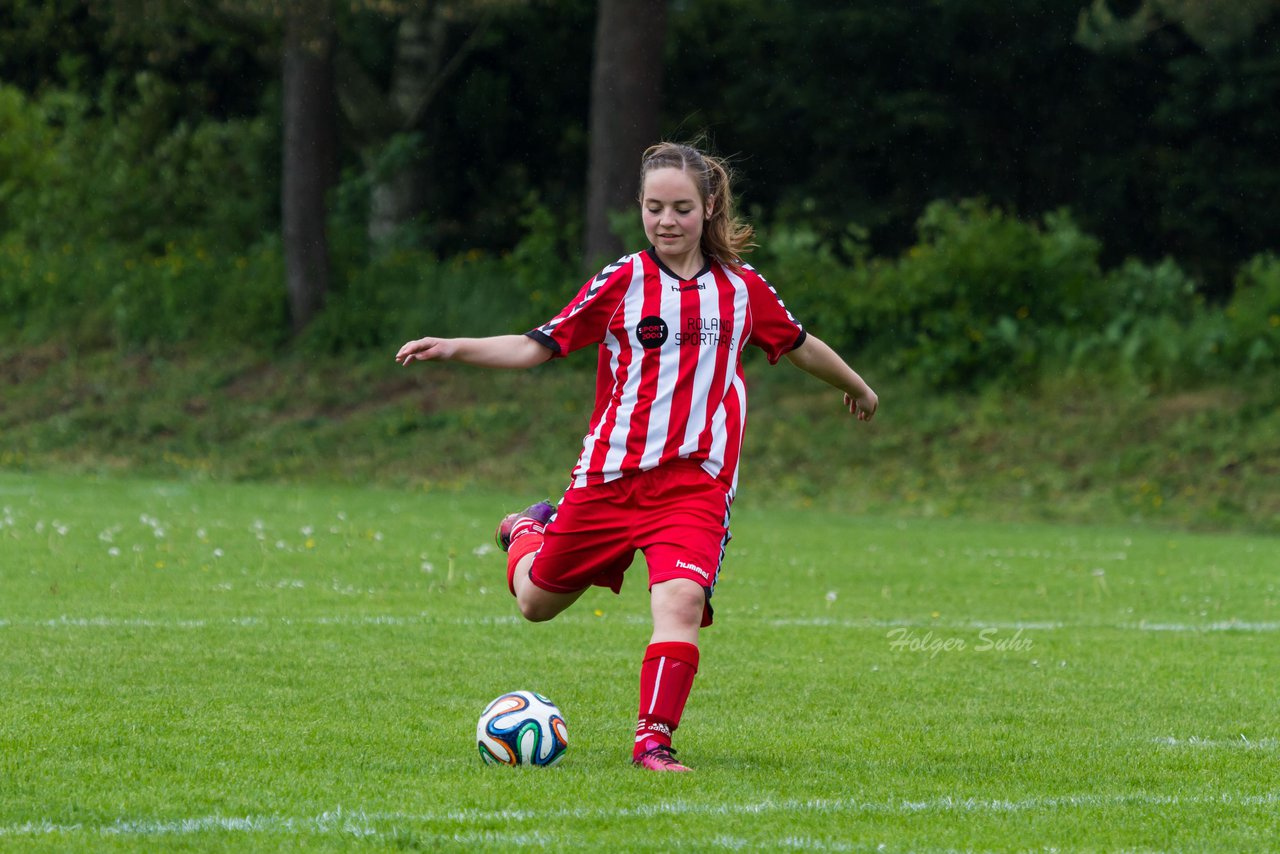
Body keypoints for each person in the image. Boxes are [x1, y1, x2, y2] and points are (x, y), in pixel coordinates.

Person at [396, 142, 877, 772]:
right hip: (609, 478)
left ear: (708, 209)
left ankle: (653, 741)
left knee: (679, 601)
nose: (666, 221)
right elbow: (539, 344)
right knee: (535, 604)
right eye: (654, 208)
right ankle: (523, 532)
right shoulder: (623, 281)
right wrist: (456, 347)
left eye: (680, 208)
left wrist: (858, 387)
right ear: (641, 210)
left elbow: (801, 343)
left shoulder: (742, 290)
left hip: (694, 485)